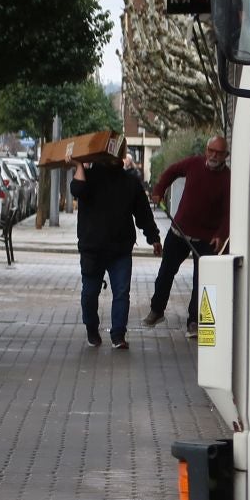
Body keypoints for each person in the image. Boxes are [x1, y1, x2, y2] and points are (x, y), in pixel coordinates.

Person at [70, 148, 161, 350]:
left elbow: (143, 213)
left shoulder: (130, 182)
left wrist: (153, 237)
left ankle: (118, 334)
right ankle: (92, 328)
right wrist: (78, 165)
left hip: (120, 249)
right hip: (92, 249)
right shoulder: (90, 177)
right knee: (90, 293)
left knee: (121, 292)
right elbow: (76, 190)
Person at [145, 136, 232, 339]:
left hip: (208, 238)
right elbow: (172, 172)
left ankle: (196, 322)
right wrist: (159, 189)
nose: (213, 155)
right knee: (166, 272)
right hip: (180, 231)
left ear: (226, 156)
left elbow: (230, 211)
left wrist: (221, 235)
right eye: (211, 150)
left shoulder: (228, 179)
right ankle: (157, 311)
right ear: (206, 150)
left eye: (219, 153)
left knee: (204, 280)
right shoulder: (193, 164)